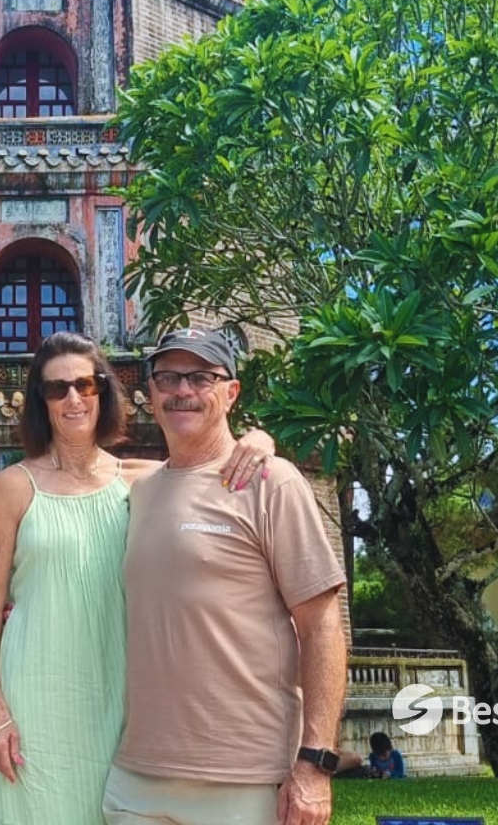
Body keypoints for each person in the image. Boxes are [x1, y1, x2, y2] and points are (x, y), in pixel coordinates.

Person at [0, 330, 274, 825]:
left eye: (85, 385)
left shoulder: (142, 481)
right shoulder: (13, 486)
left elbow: (213, 466)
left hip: (125, 690)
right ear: (41, 402)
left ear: (103, 392)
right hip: (39, 692)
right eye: (56, 388)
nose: (73, 398)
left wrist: (259, 440)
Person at [106, 328, 349, 825]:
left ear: (231, 391)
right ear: (150, 391)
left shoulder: (270, 482)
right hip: (137, 777)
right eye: (168, 377)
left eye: (201, 377)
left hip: (245, 778)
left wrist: (315, 763)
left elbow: (322, 627)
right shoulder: (136, 488)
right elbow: (60, 479)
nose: (183, 391)